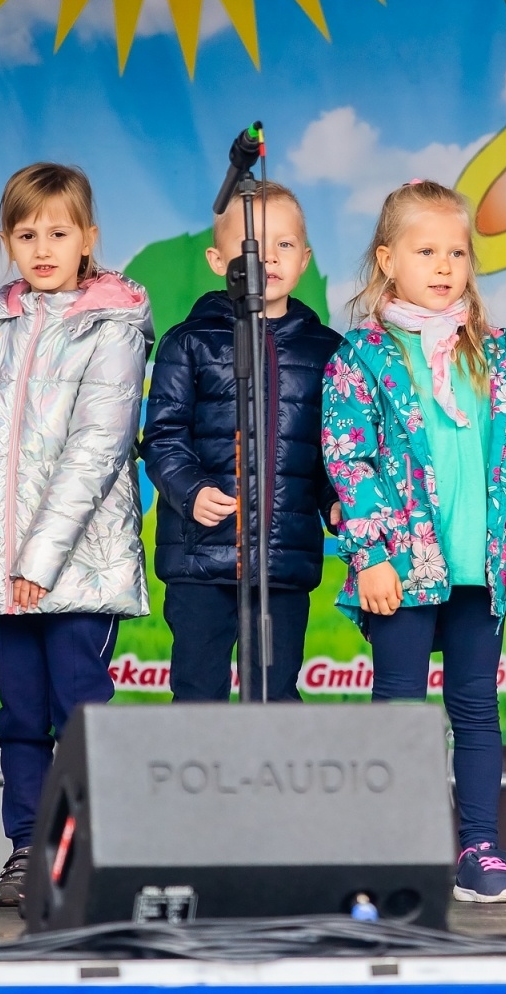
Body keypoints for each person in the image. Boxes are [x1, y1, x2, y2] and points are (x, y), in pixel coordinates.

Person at [322, 180, 506, 903]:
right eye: (426, 250)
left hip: (479, 570)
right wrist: (372, 555)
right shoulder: (360, 358)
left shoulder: (502, 355)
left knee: (475, 707)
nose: (444, 265)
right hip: (402, 567)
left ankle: (480, 851)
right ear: (388, 259)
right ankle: (394, 849)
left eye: (457, 251)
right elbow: (347, 458)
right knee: (398, 703)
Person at [0, 162, 153, 908]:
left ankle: (88, 851)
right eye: (26, 234)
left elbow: (99, 445)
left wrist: (38, 560)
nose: (42, 247)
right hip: (5, 574)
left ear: (88, 238)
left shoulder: (116, 322)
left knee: (80, 713)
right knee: (21, 718)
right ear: (8, 241)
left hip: (80, 570)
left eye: (58, 233)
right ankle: (27, 849)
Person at [142, 181, 341, 702]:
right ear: (217, 259)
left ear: (305, 259)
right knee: (198, 688)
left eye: (285, 245)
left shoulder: (329, 351)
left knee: (273, 693)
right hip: (201, 558)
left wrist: (335, 502)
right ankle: (198, 783)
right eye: (251, 245)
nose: (268, 257)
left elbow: (332, 452)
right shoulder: (189, 341)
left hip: (282, 559)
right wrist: (190, 492)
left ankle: (268, 784)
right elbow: (162, 435)